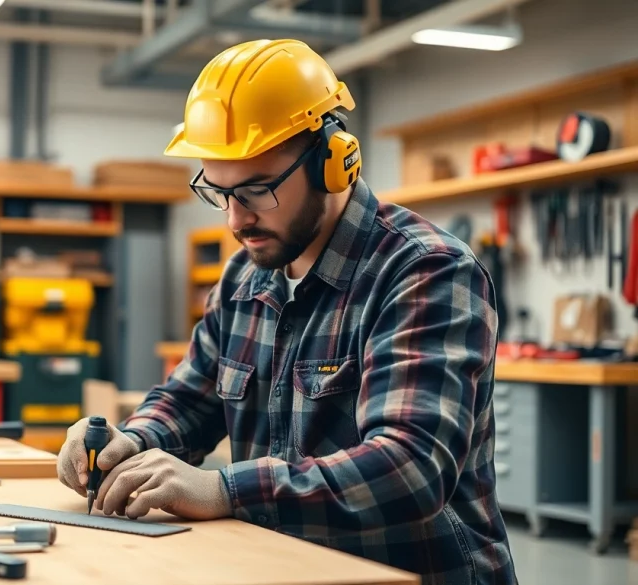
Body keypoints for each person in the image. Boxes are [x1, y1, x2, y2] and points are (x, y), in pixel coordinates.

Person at [57, 39, 517, 584]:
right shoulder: (244, 279)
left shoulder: (425, 272)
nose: (234, 220)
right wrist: (129, 442)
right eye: (218, 192)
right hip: (287, 569)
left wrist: (225, 488)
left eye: (256, 191)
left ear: (334, 163)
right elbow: (191, 398)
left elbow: (409, 468)